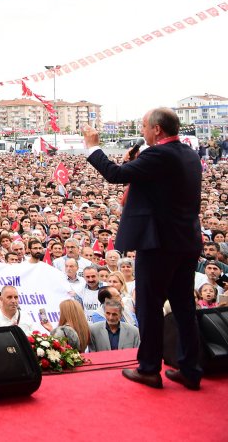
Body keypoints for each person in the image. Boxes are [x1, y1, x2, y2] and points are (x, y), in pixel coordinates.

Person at [84, 110, 203, 390]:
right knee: (184, 306)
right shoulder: (188, 153)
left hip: (159, 244)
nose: (143, 131)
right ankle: (190, 368)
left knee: (149, 306)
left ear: (157, 130)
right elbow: (160, 187)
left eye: (145, 126)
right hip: (185, 241)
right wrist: (137, 165)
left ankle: (149, 368)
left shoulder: (158, 155)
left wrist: (92, 146)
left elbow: (114, 174)